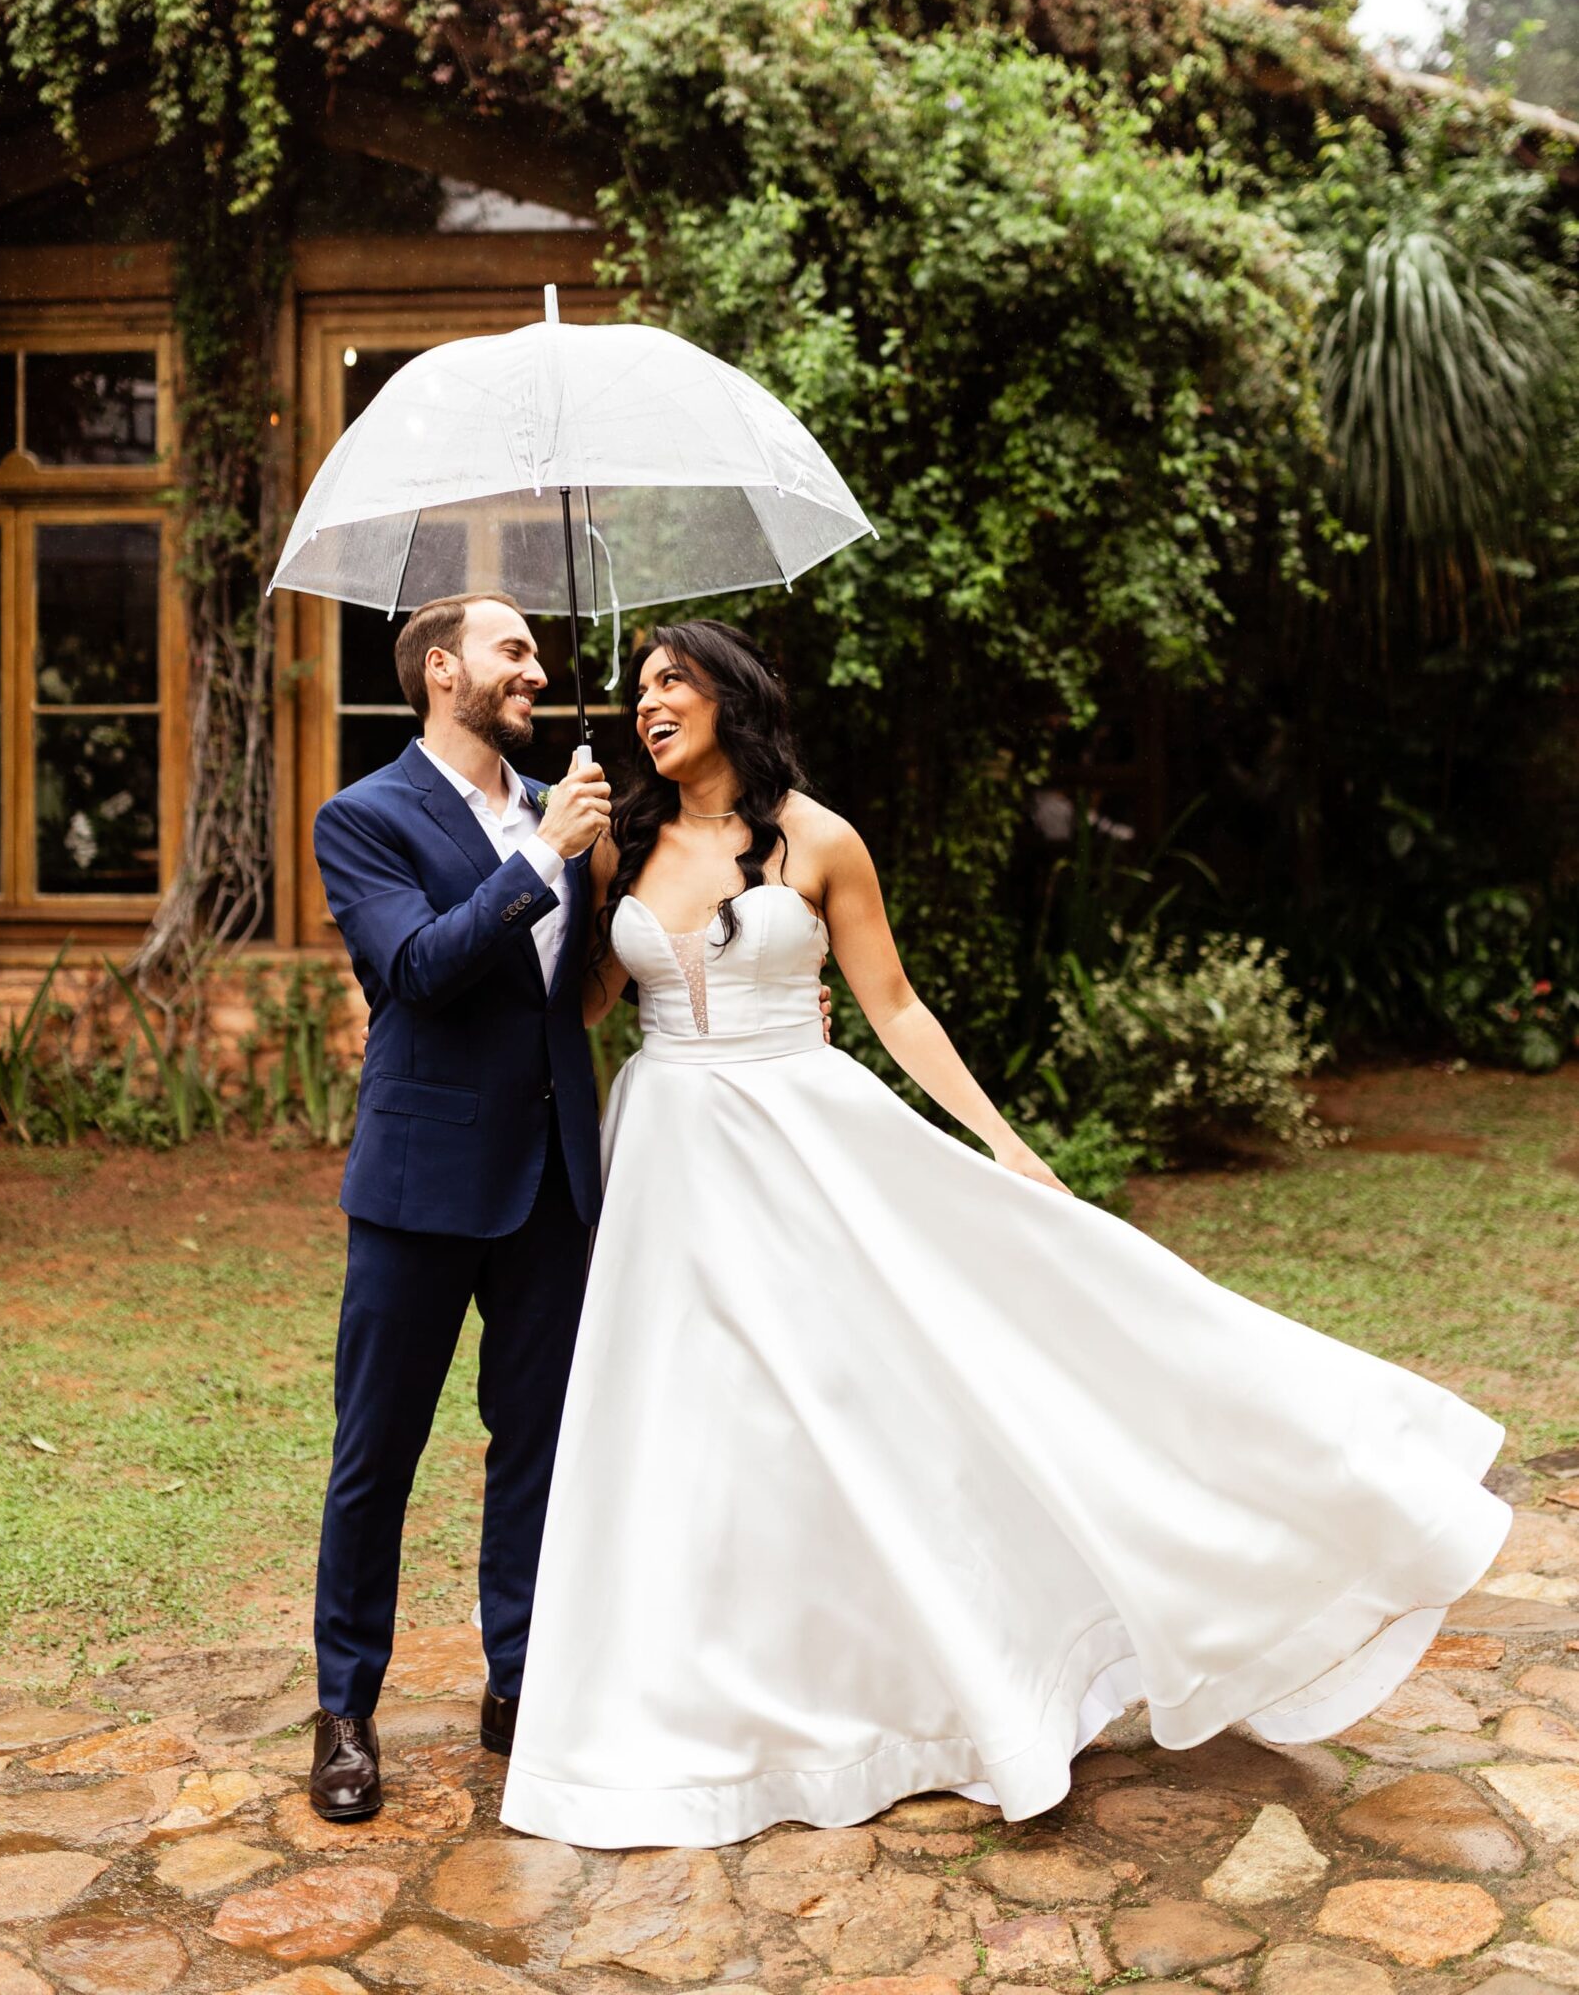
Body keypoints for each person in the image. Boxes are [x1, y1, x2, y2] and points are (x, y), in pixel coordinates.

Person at [498, 618, 1509, 1851]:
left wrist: (1001, 1139)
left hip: (804, 1137)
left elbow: (893, 1005)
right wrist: (566, 868)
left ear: (732, 696)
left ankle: (930, 1672)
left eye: (673, 679)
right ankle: (701, 1702)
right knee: (687, 1418)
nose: (648, 699)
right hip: (666, 1149)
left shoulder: (822, 839)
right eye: (639, 684)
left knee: (860, 1392)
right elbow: (588, 1002)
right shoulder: (619, 839)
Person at [305, 592, 611, 1821]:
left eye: (535, 652)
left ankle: (517, 1683)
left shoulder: (560, 808)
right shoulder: (362, 817)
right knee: (376, 1453)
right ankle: (344, 1708)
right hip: (420, 1184)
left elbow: (585, 984)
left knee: (534, 1444)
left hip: (551, 1178)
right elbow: (418, 970)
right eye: (512, 650)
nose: (535, 669)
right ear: (443, 669)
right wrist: (542, 860)